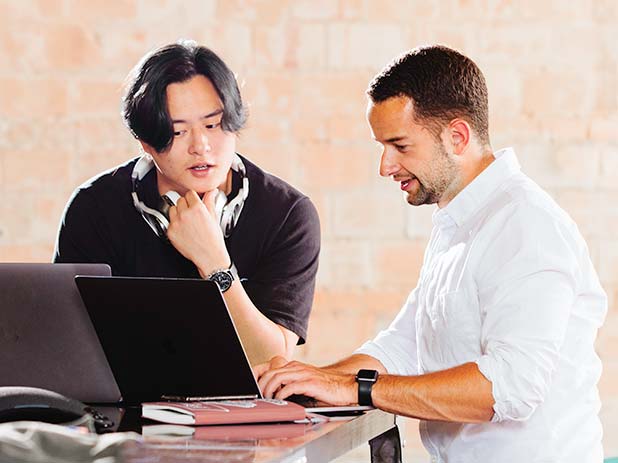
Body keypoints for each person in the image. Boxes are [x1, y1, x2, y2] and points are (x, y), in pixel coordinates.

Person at [256, 45, 607, 462]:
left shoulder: (526, 227)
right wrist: (308, 378)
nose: (385, 166)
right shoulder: (459, 222)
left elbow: (511, 387)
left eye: (399, 145)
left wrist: (356, 388)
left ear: (457, 137)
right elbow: (402, 349)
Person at [54, 40, 320, 366]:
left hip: (240, 410)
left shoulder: (287, 214)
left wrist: (215, 265)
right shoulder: (94, 207)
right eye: (179, 132)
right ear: (146, 142)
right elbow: (68, 346)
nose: (201, 146)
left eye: (212, 125)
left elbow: (269, 358)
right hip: (124, 408)